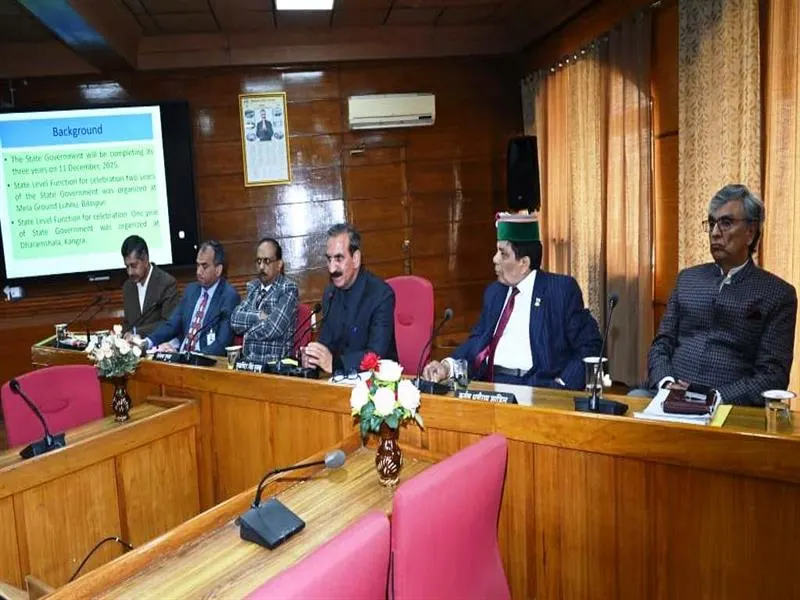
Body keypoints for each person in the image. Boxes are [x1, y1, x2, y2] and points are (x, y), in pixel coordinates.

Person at [648, 184, 797, 405]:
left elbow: (772, 376)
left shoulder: (776, 294)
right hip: (668, 401)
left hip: (729, 409)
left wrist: (714, 398)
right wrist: (666, 383)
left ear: (750, 232)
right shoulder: (688, 280)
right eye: (711, 224)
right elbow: (662, 344)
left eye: (726, 223)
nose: (715, 232)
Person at [422, 214, 602, 388]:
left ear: (524, 263)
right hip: (488, 384)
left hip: (536, 387)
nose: (495, 259)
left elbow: (590, 346)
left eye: (503, 254)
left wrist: (563, 384)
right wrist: (448, 366)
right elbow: (477, 341)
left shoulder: (560, 290)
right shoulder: (495, 292)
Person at [302, 223, 397, 374]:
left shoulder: (381, 295)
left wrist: (335, 363)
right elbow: (326, 344)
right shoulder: (330, 294)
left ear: (356, 259)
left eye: (339, 258)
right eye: (329, 259)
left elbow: (376, 355)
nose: (332, 268)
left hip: (376, 385)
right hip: (339, 381)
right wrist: (314, 357)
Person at [146, 240, 240, 356]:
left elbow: (222, 343)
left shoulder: (229, 296)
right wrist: (148, 342)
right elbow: (172, 325)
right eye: (197, 265)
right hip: (182, 357)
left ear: (218, 270)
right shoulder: (191, 290)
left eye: (204, 266)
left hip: (206, 362)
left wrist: (194, 357)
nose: (198, 271)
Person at [231, 238, 298, 363]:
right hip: (247, 362)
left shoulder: (288, 289)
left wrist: (247, 331)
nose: (261, 267)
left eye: (267, 261)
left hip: (272, 366)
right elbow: (234, 320)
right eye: (258, 261)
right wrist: (259, 316)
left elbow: (273, 328)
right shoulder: (253, 287)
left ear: (279, 265)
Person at [120, 235, 179, 338]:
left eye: (133, 266)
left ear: (146, 260)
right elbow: (127, 324)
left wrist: (136, 333)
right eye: (127, 266)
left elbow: (169, 324)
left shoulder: (166, 283)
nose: (130, 272)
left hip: (160, 346)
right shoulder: (128, 287)